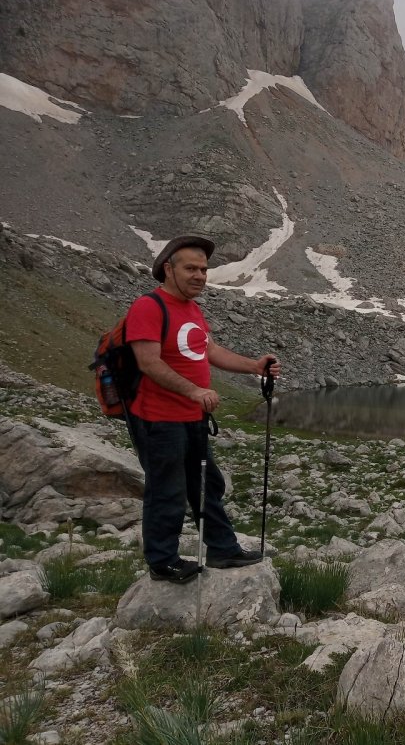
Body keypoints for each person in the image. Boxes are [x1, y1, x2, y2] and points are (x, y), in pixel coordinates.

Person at [126, 234, 281, 584]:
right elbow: (149, 363)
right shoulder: (149, 307)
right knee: (167, 488)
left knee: (207, 484)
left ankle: (222, 549)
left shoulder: (191, 309)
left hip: (191, 418)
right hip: (158, 419)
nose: (199, 275)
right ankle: (162, 561)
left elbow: (209, 351)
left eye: (204, 270)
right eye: (190, 268)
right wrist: (194, 390)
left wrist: (254, 366)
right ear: (168, 269)